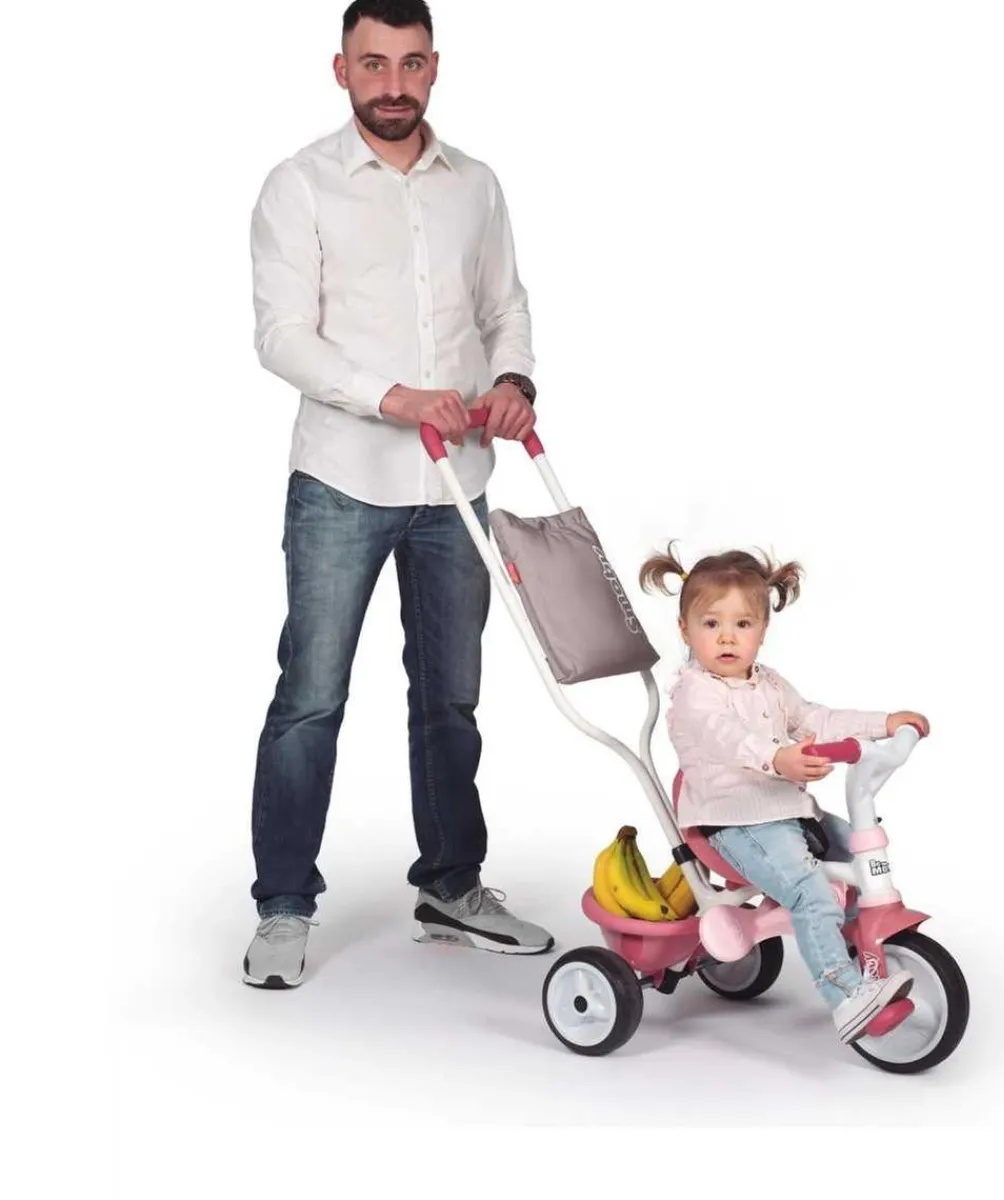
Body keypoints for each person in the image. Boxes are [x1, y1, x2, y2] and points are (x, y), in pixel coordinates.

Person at [244, 0, 552, 989]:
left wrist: (512, 382)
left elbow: (504, 307)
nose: (392, 83)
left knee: (451, 697)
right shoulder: (299, 185)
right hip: (343, 479)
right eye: (372, 63)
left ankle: (452, 887)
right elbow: (283, 337)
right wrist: (396, 398)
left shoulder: (478, 187)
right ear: (341, 71)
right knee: (311, 697)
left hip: (458, 484)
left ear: (434, 68)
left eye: (410, 63)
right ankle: (283, 904)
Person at [639, 545, 930, 1043]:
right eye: (711, 624)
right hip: (733, 823)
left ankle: (859, 948)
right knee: (809, 891)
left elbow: (816, 718)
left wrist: (883, 723)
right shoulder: (694, 693)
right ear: (685, 630)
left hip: (790, 812)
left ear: (762, 630)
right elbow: (727, 737)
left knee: (857, 856)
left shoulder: (769, 684)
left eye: (742, 624)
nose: (727, 636)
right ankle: (847, 995)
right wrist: (778, 758)